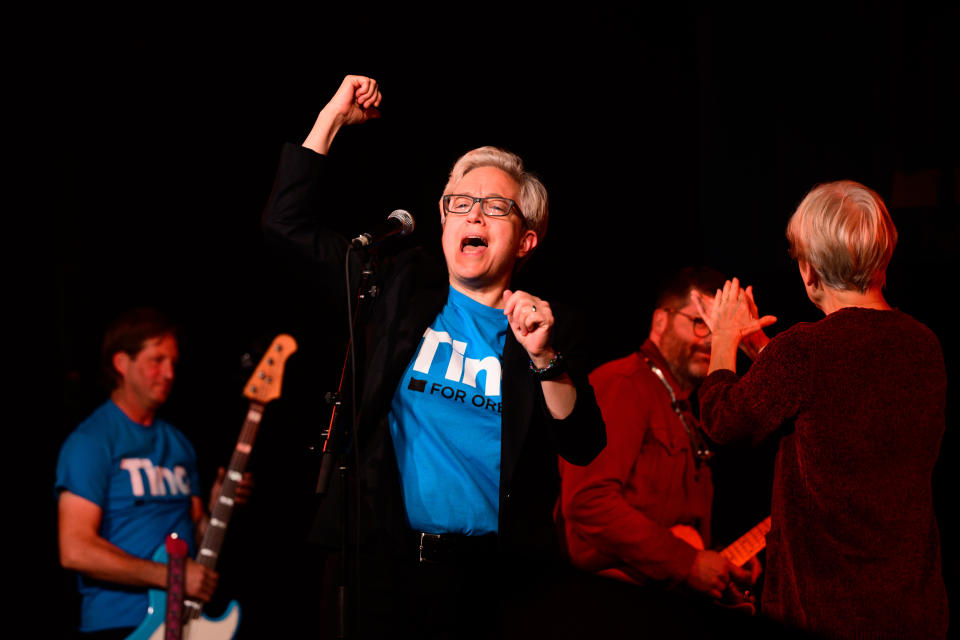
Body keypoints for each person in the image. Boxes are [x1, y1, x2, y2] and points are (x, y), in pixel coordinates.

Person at [260, 75, 606, 638]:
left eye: (495, 207)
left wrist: (544, 357)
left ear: (526, 240)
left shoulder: (551, 325)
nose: (473, 216)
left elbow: (584, 442)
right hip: (378, 564)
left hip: (490, 582)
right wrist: (331, 119)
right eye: (461, 203)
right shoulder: (395, 286)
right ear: (443, 219)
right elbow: (286, 226)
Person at [693, 180, 949, 638]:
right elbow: (839, 398)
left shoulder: (806, 351)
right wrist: (764, 352)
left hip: (827, 611)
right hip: (912, 607)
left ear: (809, 271)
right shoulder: (923, 345)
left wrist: (724, 341)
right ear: (883, 260)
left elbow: (724, 421)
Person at [557, 267, 761, 604]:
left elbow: (675, 525)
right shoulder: (622, 384)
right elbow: (587, 501)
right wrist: (687, 563)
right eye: (699, 323)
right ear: (660, 322)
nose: (711, 339)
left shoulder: (684, 406)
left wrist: (721, 561)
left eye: (718, 329)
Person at [56, 307, 252, 638]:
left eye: (173, 363)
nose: (169, 373)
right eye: (156, 360)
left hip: (183, 622)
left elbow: (198, 538)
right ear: (121, 363)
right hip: (119, 624)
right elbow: (75, 549)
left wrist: (218, 505)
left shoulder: (179, 444)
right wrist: (171, 576)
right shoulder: (91, 441)